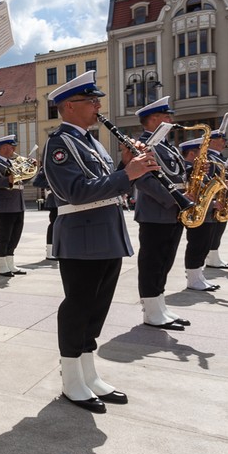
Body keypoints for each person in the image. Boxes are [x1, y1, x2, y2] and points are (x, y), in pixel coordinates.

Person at [43, 70, 159, 413]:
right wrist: (128, 174)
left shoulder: (93, 142)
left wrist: (127, 165)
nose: (97, 106)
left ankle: (88, 373)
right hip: (81, 236)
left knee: (97, 310)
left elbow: (108, 184)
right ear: (68, 106)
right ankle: (70, 379)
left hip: (106, 232)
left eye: (97, 100)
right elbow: (75, 192)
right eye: (90, 101)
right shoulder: (60, 143)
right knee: (78, 307)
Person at [131, 97, 191, 331]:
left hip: (173, 211)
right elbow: (143, 179)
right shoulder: (141, 145)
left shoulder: (167, 146)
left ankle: (160, 306)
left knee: (165, 261)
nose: (170, 120)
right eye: (166, 116)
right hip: (156, 212)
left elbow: (178, 176)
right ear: (154, 119)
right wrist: (177, 201)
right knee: (153, 262)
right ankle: (151, 312)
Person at [179, 138, 221, 292]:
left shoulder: (197, 170)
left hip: (206, 213)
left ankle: (198, 276)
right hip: (198, 213)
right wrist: (213, 203)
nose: (206, 159)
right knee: (197, 246)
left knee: (203, 246)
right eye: (201, 154)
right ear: (191, 153)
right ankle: (193, 279)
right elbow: (194, 193)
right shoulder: (188, 169)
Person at [0, 134, 27, 276]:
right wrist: (6, 180)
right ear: (2, 148)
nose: (13, 150)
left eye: (13, 147)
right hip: (4, 206)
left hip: (18, 204)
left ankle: (10, 263)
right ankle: (2, 265)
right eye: (10, 147)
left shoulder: (13, 163)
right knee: (4, 235)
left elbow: (21, 181)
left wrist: (29, 172)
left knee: (15, 235)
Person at [205, 125, 228, 268]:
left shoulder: (219, 158)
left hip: (222, 199)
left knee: (219, 229)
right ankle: (211, 258)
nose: (224, 141)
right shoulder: (209, 157)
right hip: (215, 200)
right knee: (213, 230)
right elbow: (207, 179)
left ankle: (214, 257)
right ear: (211, 141)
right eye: (221, 138)